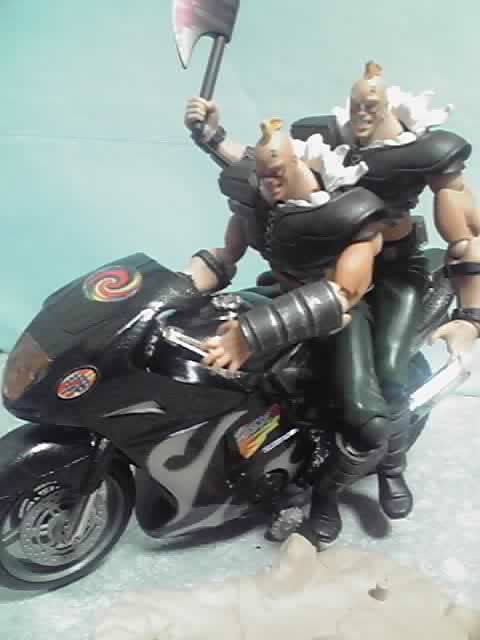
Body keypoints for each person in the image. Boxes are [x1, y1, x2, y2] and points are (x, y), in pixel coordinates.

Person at [182, 62, 480, 543]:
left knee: (381, 386)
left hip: (379, 278)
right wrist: (212, 136)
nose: (362, 115)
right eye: (263, 180)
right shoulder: (282, 176)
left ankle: (375, 472)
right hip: (305, 281)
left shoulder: (359, 212)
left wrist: (471, 316)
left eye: (371, 107)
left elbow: (463, 237)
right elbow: (251, 183)